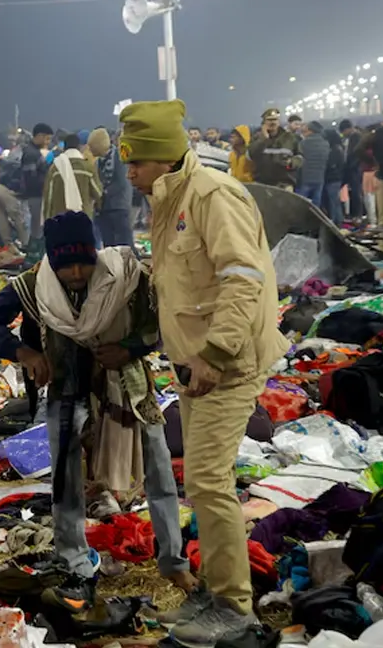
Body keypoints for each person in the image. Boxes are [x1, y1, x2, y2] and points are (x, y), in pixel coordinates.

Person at [121, 100, 289, 647]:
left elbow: (244, 280)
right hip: (195, 363)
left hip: (228, 362)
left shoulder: (214, 196)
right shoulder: (170, 200)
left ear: (163, 159)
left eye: (137, 162)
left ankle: (233, 608)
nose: (130, 173)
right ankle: (213, 589)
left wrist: (216, 353)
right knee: (199, 479)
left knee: (210, 482)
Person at [0, 210, 194, 608]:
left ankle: (172, 559)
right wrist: (25, 353)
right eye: (65, 264)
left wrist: (130, 349)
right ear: (51, 261)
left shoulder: (125, 275)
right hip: (67, 391)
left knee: (158, 469)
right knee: (66, 481)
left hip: (128, 389)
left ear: (96, 253)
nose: (75, 272)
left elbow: (165, 322)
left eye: (83, 262)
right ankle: (73, 561)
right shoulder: (36, 284)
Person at [88, 128, 133, 248]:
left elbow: (122, 182)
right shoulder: (98, 162)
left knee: (125, 245)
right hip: (104, 210)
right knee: (109, 246)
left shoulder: (119, 157)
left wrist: (102, 193)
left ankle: (131, 266)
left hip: (119, 207)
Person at [42, 133, 102, 222]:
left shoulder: (55, 168)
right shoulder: (88, 167)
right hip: (83, 218)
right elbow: (98, 192)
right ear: (79, 147)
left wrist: (47, 219)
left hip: (60, 219)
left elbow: (48, 196)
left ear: (64, 148)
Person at [247, 108, 302, 189]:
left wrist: (292, 162)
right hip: (261, 184)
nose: (272, 122)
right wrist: (263, 139)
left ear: (278, 122)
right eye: (269, 120)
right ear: (264, 123)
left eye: (275, 119)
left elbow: (300, 157)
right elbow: (250, 155)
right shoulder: (257, 138)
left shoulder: (289, 138)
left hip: (284, 184)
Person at [22, 123, 54, 243]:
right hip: (35, 196)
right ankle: (34, 257)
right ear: (39, 136)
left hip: (37, 195)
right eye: (47, 138)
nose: (48, 142)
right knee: (37, 230)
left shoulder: (35, 152)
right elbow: (31, 179)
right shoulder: (31, 154)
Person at [296, 121, 330, 204]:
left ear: (310, 130)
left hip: (305, 177)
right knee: (316, 204)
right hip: (319, 177)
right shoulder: (326, 144)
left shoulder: (303, 143)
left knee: (300, 202)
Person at [339, 119, 364, 219]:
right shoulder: (351, 138)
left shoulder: (356, 137)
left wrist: (351, 166)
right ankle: (354, 214)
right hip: (351, 168)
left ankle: (357, 214)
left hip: (355, 169)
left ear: (348, 129)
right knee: (354, 192)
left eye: (343, 132)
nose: (343, 134)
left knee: (356, 192)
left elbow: (355, 154)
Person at [322, 126, 346, 225]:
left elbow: (331, 164)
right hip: (336, 178)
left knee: (333, 202)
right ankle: (338, 221)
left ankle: (336, 222)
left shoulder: (335, 149)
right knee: (335, 201)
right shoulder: (339, 148)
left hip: (332, 179)